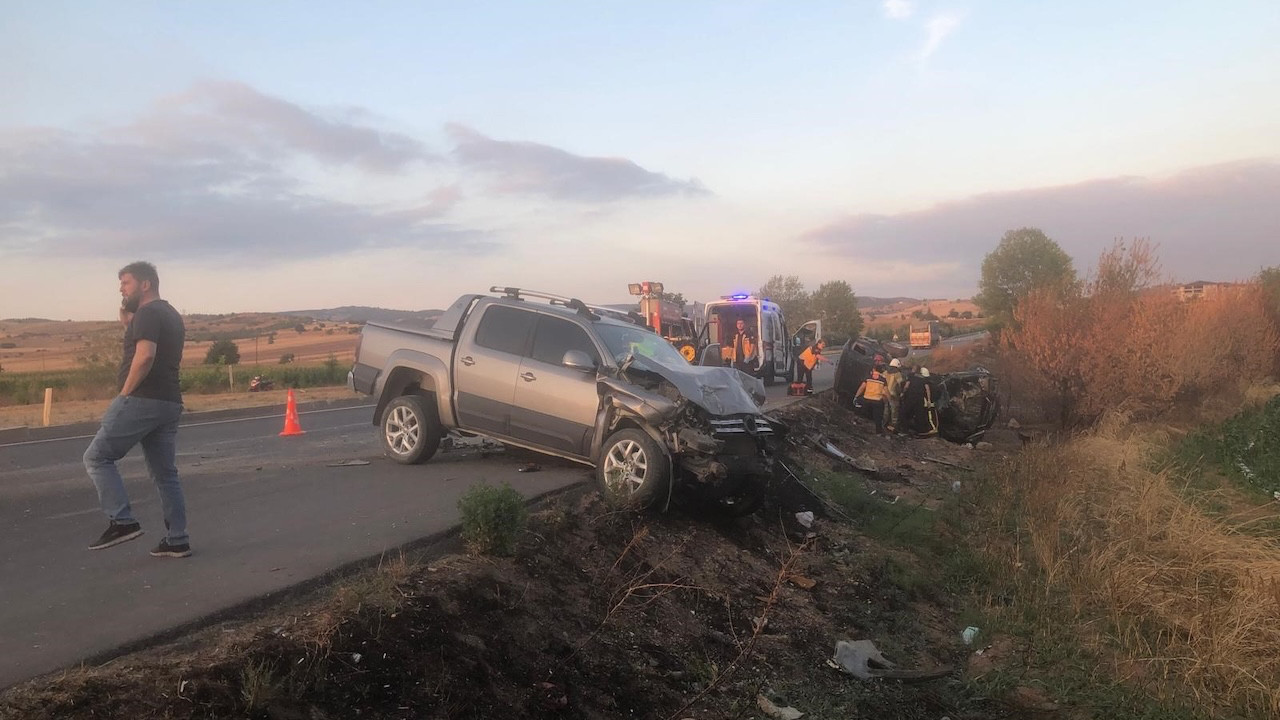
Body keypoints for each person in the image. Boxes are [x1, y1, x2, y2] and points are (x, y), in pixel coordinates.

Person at [83, 261, 191, 558]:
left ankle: (122, 521)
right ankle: (178, 539)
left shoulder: (148, 313)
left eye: (126, 283)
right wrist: (129, 323)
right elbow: (152, 344)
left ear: (145, 284)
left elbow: (145, 356)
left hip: (142, 399)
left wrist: (125, 394)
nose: (121, 289)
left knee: (96, 457)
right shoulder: (169, 314)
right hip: (169, 401)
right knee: (165, 474)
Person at [855, 364, 889, 433]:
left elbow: (862, 387)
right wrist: (888, 401)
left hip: (866, 399)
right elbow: (886, 392)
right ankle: (878, 431)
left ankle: (856, 422)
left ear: (874, 369)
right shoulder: (883, 380)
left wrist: (856, 396)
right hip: (877, 401)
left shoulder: (868, 377)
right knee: (878, 417)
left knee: (860, 409)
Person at [883, 357, 904, 433]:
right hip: (893, 395)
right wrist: (901, 392)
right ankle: (893, 426)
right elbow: (901, 383)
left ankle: (884, 424)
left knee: (886, 410)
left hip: (884, 393)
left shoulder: (885, 372)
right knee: (894, 411)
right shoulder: (897, 373)